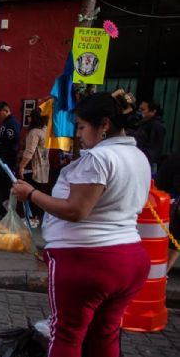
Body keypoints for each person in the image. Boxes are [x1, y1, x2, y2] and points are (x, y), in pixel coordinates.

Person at [11, 92, 152, 357]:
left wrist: (31, 194)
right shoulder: (137, 156)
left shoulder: (98, 159)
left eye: (82, 126)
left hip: (89, 259)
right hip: (128, 256)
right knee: (105, 334)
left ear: (105, 125)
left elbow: (77, 210)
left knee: (67, 334)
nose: (78, 134)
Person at [17, 108, 50, 221]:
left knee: (29, 192)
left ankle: (30, 217)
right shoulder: (46, 131)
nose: (29, 118)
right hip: (43, 167)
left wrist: (21, 167)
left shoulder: (34, 132)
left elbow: (29, 152)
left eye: (30, 116)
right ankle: (35, 216)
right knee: (38, 192)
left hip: (32, 168)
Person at [156, 152, 180, 273]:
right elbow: (160, 186)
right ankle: (162, 273)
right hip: (167, 208)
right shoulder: (174, 160)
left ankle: (162, 273)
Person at [134, 100, 166, 169]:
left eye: (143, 110)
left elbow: (154, 151)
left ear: (153, 112)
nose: (139, 112)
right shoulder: (143, 123)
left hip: (145, 164)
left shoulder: (156, 126)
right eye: (139, 109)